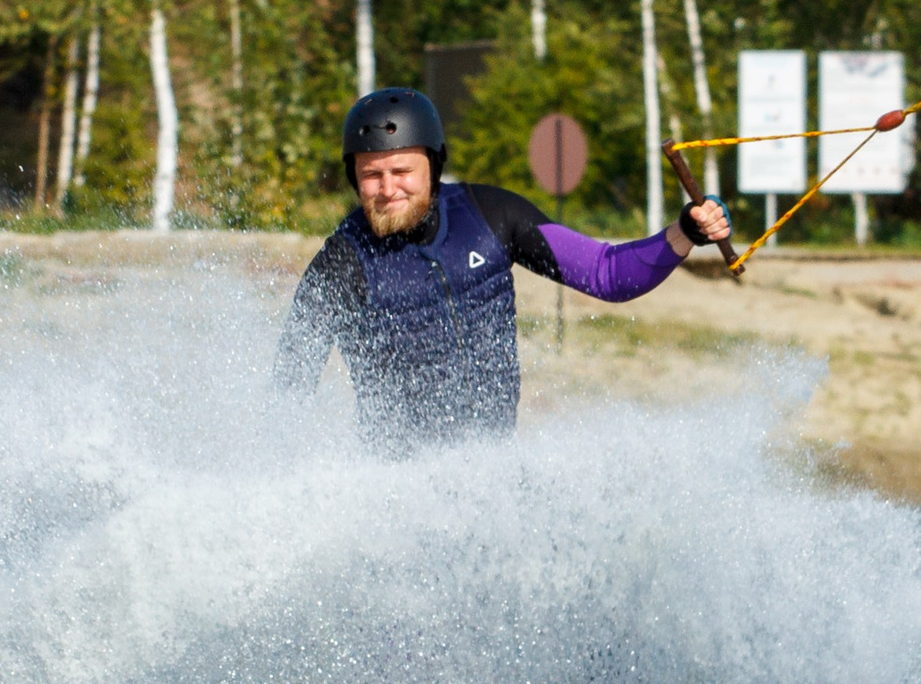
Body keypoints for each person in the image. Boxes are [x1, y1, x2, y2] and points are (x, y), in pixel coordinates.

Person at [276, 87, 733, 445]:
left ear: (434, 167)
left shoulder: (490, 214)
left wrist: (684, 234)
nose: (387, 188)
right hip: (400, 489)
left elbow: (607, 274)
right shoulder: (343, 260)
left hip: (493, 475)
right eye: (371, 174)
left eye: (402, 171)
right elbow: (290, 386)